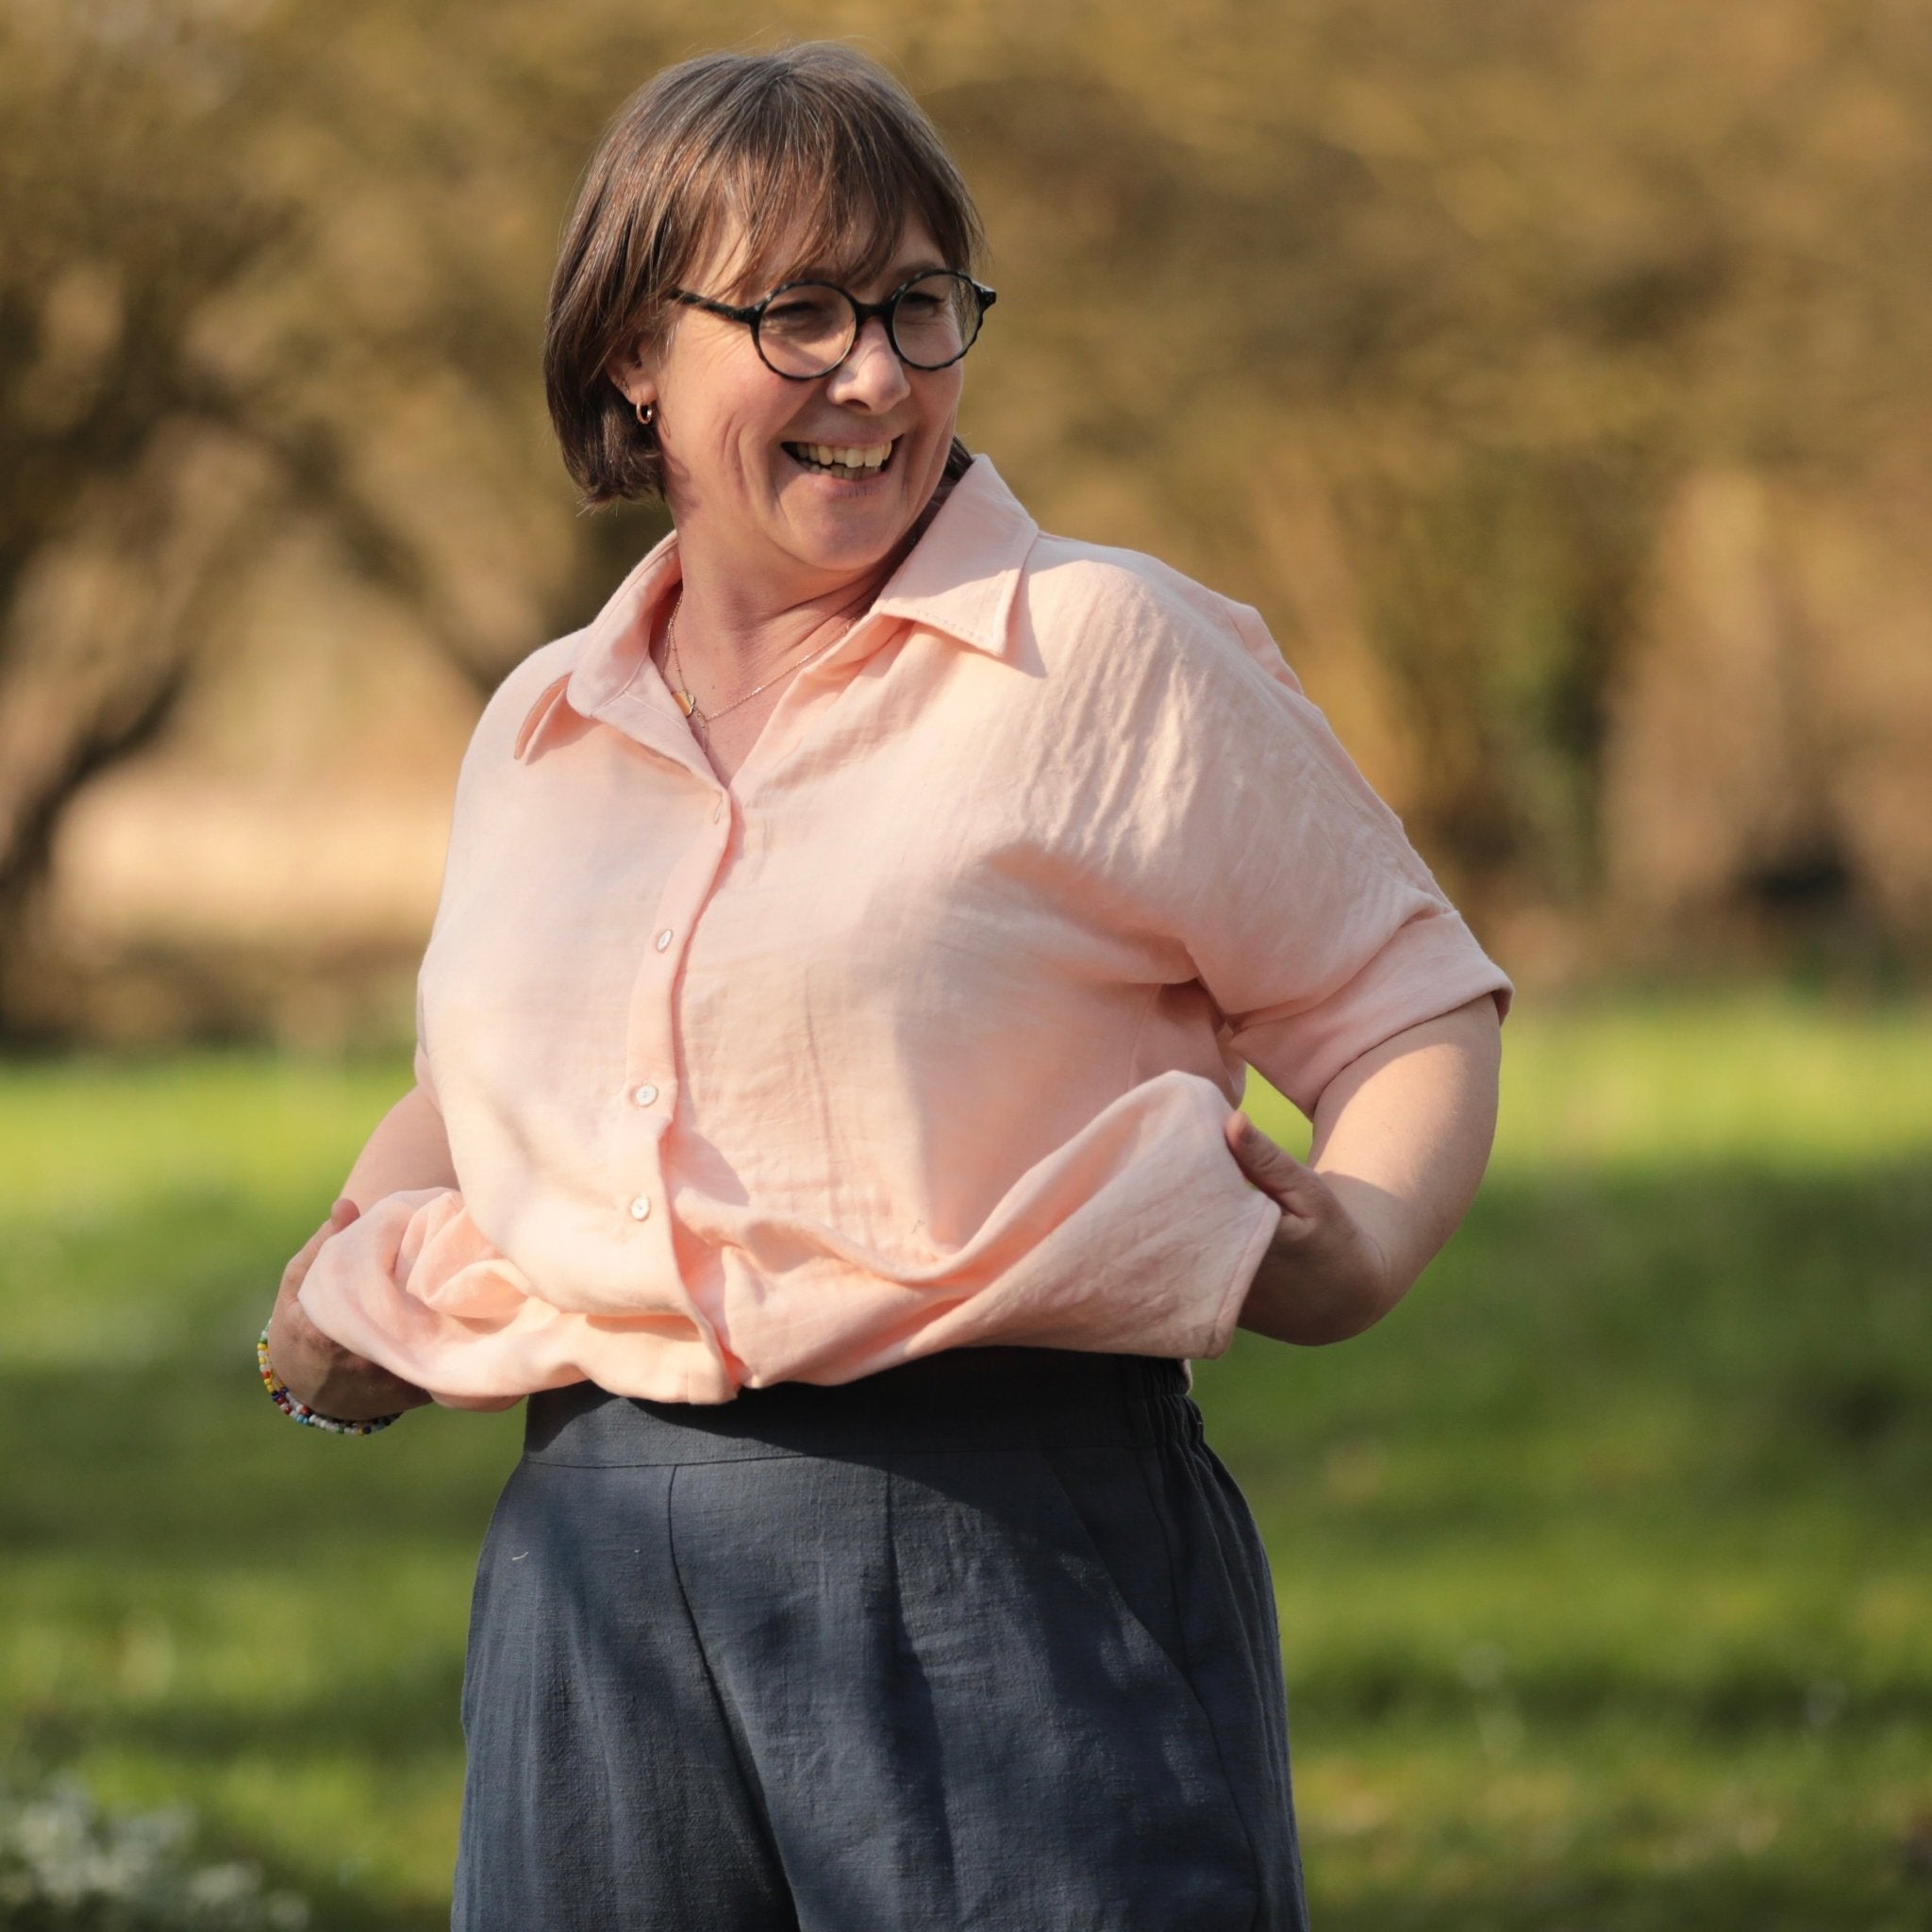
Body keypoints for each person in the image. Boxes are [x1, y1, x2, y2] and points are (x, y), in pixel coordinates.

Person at [258, 42, 1509, 1932]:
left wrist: (1365, 1245)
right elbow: (487, 1090)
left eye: (919, 306)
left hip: (1004, 1568)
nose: (877, 375)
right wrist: (331, 1312)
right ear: (635, 352)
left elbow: (1406, 999)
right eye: (802, 313)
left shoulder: (1104, 652)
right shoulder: (539, 722)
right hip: (590, 1591)